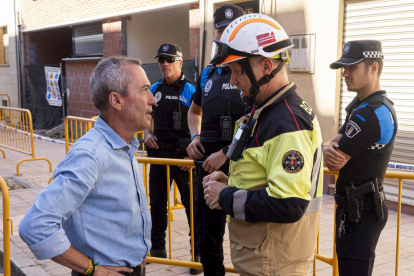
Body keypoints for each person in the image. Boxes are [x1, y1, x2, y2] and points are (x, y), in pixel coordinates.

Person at [202, 14, 323, 276]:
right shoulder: (266, 111)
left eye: (237, 71)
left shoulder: (287, 123)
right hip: (263, 258)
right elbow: (263, 172)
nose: (233, 81)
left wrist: (224, 196)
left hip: (273, 264)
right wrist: (231, 181)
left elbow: (287, 203)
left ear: (267, 66)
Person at [19, 56, 154, 276]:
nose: (152, 100)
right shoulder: (91, 155)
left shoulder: (125, 146)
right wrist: (93, 269)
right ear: (116, 101)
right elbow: (36, 225)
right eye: (144, 90)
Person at [324, 40, 396, 276]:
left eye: (352, 67)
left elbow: (334, 160)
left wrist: (326, 148)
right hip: (355, 209)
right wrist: (327, 147)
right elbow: (333, 145)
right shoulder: (362, 106)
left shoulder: (372, 113)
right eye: (344, 69)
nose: (345, 74)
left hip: (361, 211)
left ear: (373, 67)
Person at [186, 4, 246, 276]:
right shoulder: (209, 72)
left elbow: (256, 121)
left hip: (241, 165)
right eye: (221, 29)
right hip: (207, 167)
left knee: (248, 235)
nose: (225, 34)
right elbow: (194, 111)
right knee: (206, 234)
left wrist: (226, 152)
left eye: (231, 29)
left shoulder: (249, 70)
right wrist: (194, 136)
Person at [143, 43, 200, 274]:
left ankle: (196, 255)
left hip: (183, 160)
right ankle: (157, 248)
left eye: (169, 60)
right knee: (157, 205)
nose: (164, 64)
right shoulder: (153, 88)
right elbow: (146, 117)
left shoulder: (192, 90)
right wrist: (147, 134)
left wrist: (194, 156)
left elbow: (202, 123)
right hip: (158, 158)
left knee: (192, 208)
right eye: (161, 60)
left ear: (179, 62)